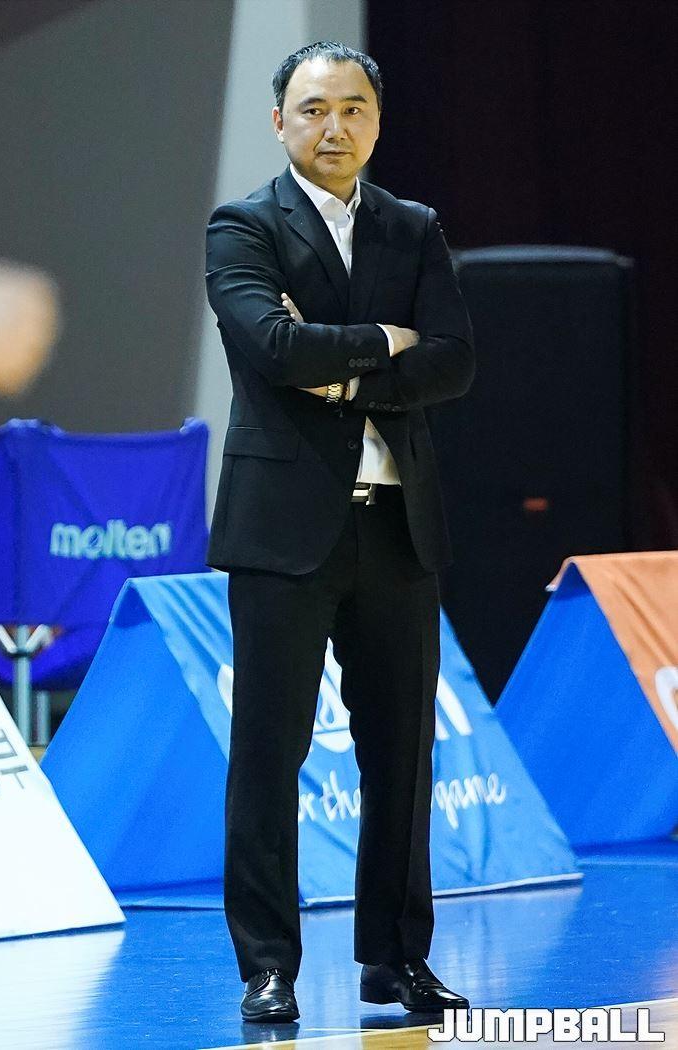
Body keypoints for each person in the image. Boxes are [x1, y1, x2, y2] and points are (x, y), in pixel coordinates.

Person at [205, 41, 475, 1024]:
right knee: (268, 755)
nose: (334, 126)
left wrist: (342, 371)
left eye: (353, 109)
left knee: (401, 757)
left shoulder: (413, 226)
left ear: (377, 121)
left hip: (399, 525)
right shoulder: (243, 226)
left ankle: (395, 962)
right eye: (314, 109)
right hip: (282, 532)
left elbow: (454, 362)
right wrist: (385, 343)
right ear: (279, 121)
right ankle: (268, 965)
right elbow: (273, 348)